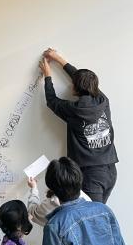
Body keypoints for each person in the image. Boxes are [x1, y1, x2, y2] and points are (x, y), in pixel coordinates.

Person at [39, 48, 118, 203]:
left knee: (93, 221)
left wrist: (47, 75)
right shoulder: (103, 101)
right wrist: (58, 58)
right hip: (111, 170)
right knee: (97, 217)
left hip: (91, 175)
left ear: (74, 88)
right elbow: (82, 79)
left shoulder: (73, 110)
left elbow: (52, 101)